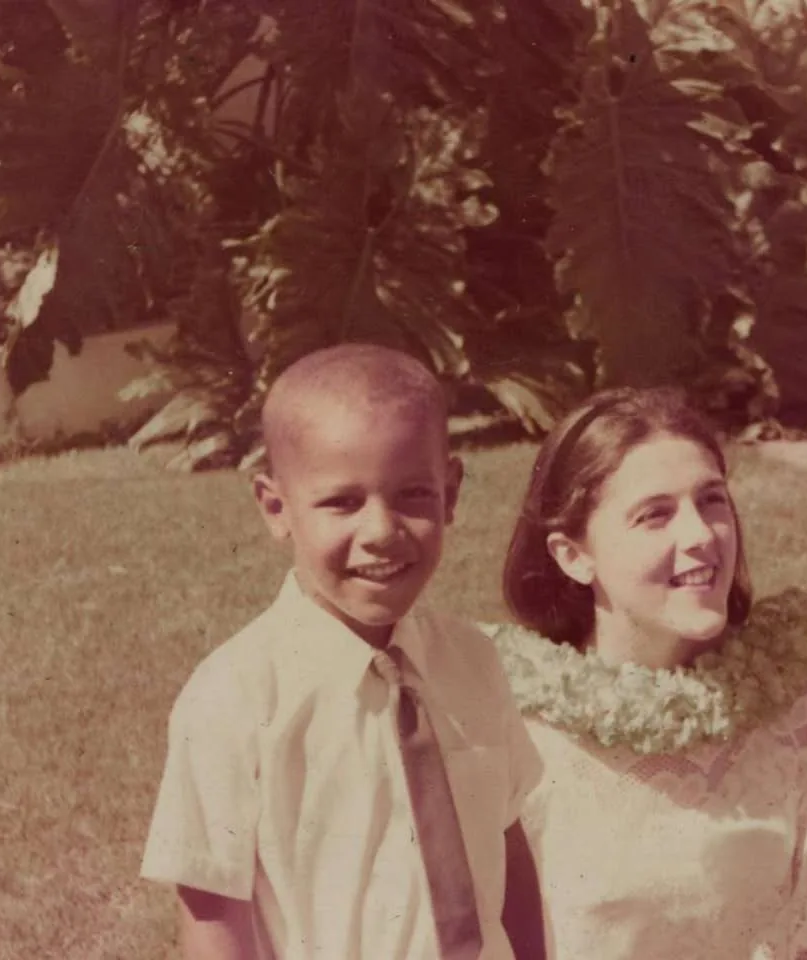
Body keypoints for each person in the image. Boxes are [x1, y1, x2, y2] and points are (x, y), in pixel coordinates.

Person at [141, 343, 545, 959]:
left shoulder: (474, 662)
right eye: (342, 502)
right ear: (277, 508)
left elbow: (508, 844)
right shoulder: (233, 700)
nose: (382, 531)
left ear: (451, 491)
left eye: (413, 494)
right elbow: (212, 909)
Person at [486, 387, 807, 959]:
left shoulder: (798, 702)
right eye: (654, 514)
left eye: (711, 501)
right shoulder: (512, 726)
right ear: (572, 555)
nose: (701, 536)